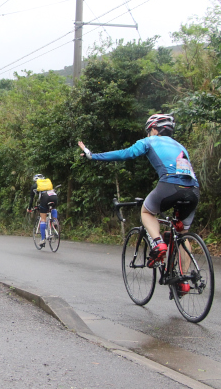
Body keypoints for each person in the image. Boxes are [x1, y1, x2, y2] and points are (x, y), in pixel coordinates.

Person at [78, 113, 200, 294]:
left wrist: (93, 156)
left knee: (147, 212)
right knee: (182, 233)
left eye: (149, 130)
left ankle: (158, 243)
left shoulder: (149, 141)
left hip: (169, 185)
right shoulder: (181, 146)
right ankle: (183, 281)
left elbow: (125, 154)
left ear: (153, 129)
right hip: (193, 190)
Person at [27, 174, 58, 248]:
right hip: (54, 196)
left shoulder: (35, 186)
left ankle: (43, 239)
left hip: (45, 198)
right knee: (53, 208)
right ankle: (54, 220)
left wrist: (29, 208)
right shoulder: (47, 183)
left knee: (43, 218)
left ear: (35, 180)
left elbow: (31, 199)